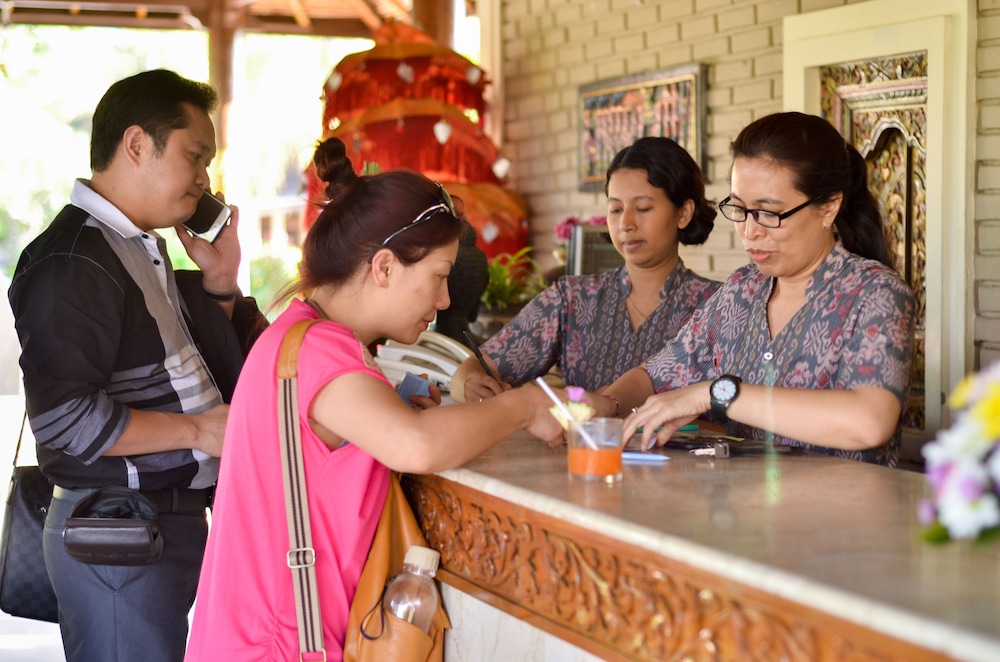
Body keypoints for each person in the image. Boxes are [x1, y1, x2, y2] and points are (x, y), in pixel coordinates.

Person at [184, 137, 563, 660]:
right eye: (439, 276)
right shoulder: (320, 348)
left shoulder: (301, 333)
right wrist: (526, 405)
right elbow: (416, 446)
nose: (444, 299)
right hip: (277, 645)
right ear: (384, 267)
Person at [7, 69, 267, 662]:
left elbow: (199, 376)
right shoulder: (74, 259)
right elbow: (67, 421)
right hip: (117, 533)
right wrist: (198, 431)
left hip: (153, 525)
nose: (204, 180)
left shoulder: (131, 246)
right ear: (136, 144)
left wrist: (220, 282)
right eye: (194, 156)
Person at [592, 112, 916, 466]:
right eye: (740, 209)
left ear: (828, 207)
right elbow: (653, 376)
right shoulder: (742, 291)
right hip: (746, 499)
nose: (749, 231)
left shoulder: (874, 294)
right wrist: (605, 406)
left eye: (768, 212)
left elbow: (869, 422)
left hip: (840, 501)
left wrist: (716, 394)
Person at [451, 136, 720, 403]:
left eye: (643, 208)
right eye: (616, 209)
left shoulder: (717, 306)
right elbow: (471, 370)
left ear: (683, 213)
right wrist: (471, 384)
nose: (625, 224)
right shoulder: (572, 298)